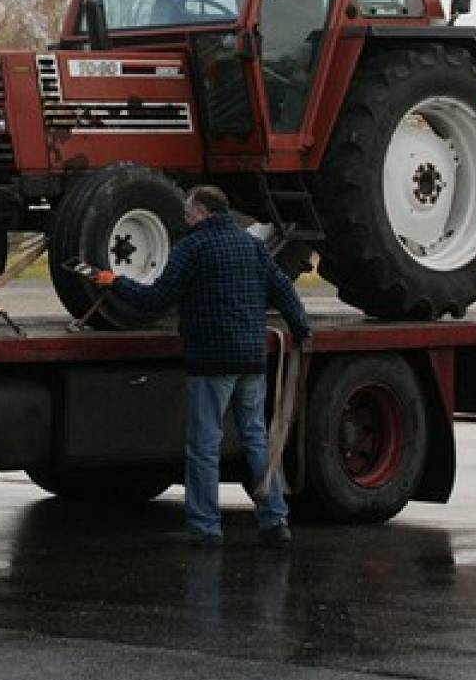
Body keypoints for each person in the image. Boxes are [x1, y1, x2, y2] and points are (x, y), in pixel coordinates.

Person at [90, 185, 311, 547]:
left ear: (204, 213)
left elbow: (155, 298)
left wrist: (115, 282)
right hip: (252, 359)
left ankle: (206, 528)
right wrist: (301, 329)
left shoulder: (191, 249)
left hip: (211, 361)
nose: (186, 219)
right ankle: (275, 521)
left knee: (205, 446)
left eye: (189, 213)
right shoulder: (252, 246)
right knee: (257, 439)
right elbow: (284, 290)